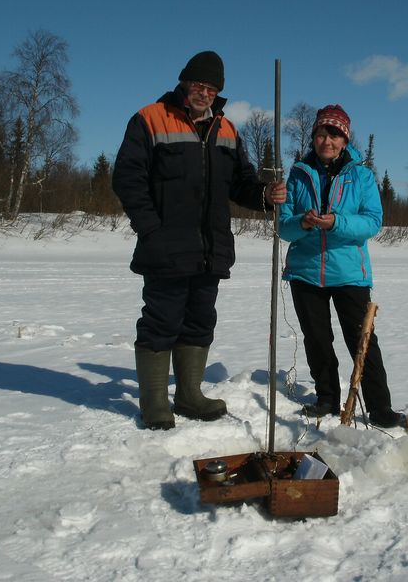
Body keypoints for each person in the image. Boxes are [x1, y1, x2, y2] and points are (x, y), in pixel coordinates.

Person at [112, 50, 286, 430]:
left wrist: (263, 196)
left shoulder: (226, 129)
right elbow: (128, 178)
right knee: (161, 321)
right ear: (184, 83)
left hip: (211, 248)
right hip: (165, 246)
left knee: (199, 321)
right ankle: (155, 401)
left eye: (211, 88)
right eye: (198, 85)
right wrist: (150, 228)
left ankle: (189, 394)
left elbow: (239, 182)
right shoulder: (150, 119)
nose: (204, 93)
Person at [278, 104, 401, 428]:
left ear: (345, 140)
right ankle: (327, 398)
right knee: (316, 340)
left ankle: (380, 408)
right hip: (305, 271)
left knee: (362, 340)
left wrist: (335, 222)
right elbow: (283, 227)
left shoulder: (361, 175)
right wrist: (303, 223)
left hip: (348, 273)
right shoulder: (299, 173)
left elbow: (372, 222)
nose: (327, 140)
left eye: (334, 134)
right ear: (314, 137)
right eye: (321, 133)